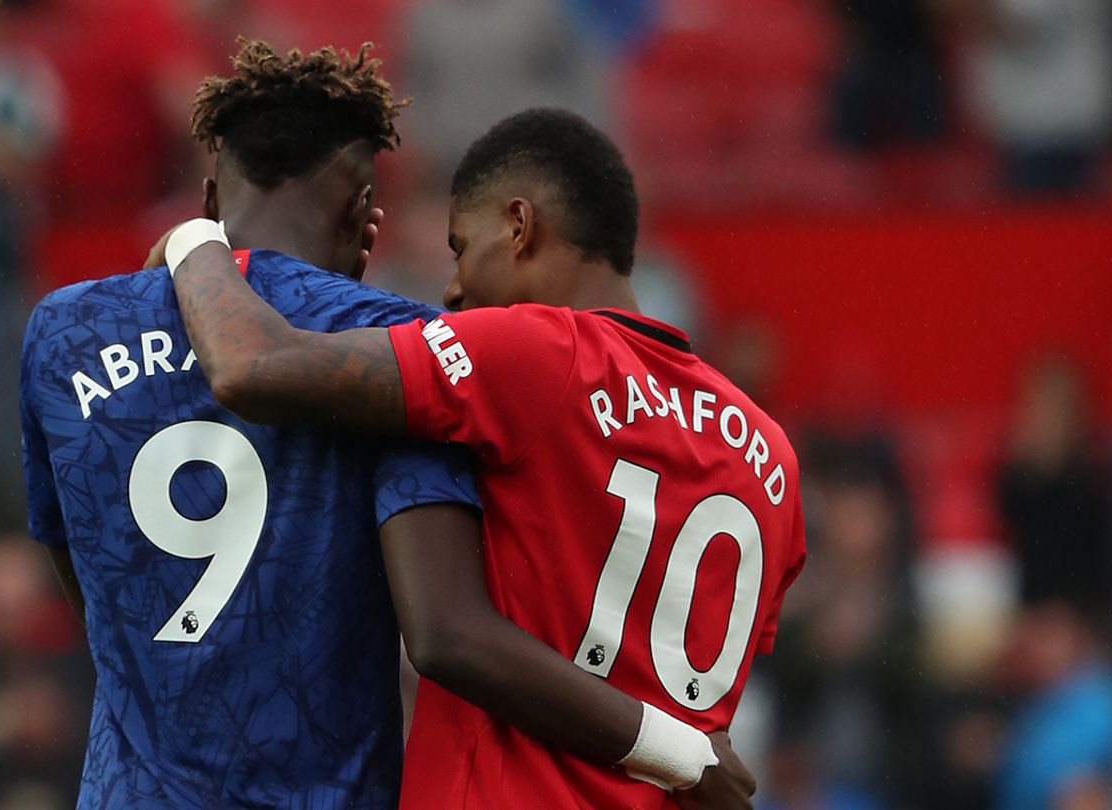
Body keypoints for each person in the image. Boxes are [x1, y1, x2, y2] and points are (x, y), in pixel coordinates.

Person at [22, 41, 749, 809]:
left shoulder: (60, 331)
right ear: (362, 214)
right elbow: (445, 628)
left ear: (209, 201)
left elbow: (90, 586)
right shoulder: (402, 344)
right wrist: (675, 750)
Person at [161, 106, 805, 808]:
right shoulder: (770, 453)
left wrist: (196, 244)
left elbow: (252, 367)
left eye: (461, 247)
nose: (453, 288)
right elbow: (708, 726)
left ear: (519, 226)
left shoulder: (537, 354)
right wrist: (677, 753)